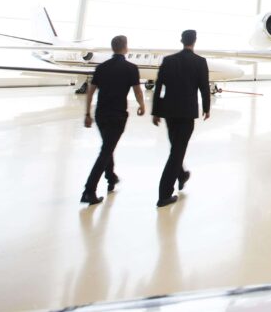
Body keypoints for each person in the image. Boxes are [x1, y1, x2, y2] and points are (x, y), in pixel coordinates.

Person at [81, 35, 145, 204]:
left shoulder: (102, 67)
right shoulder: (131, 68)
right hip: (117, 116)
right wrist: (142, 105)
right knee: (106, 151)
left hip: (101, 115)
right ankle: (89, 190)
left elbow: (91, 92)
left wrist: (87, 114)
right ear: (125, 48)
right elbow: (138, 91)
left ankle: (111, 176)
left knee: (107, 146)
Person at [152, 29, 210, 207]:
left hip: (170, 113)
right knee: (177, 153)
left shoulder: (168, 61)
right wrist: (207, 108)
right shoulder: (200, 62)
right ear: (195, 41)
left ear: (181, 40)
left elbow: (159, 87)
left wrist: (156, 111)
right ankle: (164, 195)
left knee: (176, 149)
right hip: (187, 113)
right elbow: (204, 87)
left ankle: (182, 175)